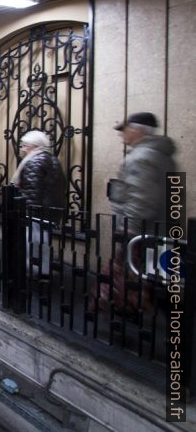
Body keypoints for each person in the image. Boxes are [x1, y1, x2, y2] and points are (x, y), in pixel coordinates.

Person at [92, 112, 177, 314]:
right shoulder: (163, 156)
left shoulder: (141, 157)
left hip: (144, 230)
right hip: (161, 226)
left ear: (138, 130)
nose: (122, 135)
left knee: (142, 277)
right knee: (155, 277)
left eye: (125, 130)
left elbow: (142, 198)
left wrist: (130, 227)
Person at [9, 130, 66, 276]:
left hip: (37, 211)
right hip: (48, 209)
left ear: (33, 146)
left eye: (24, 145)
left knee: (34, 243)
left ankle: (36, 272)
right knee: (41, 243)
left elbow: (33, 191)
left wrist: (28, 211)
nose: (22, 148)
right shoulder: (49, 158)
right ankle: (41, 271)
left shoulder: (35, 161)